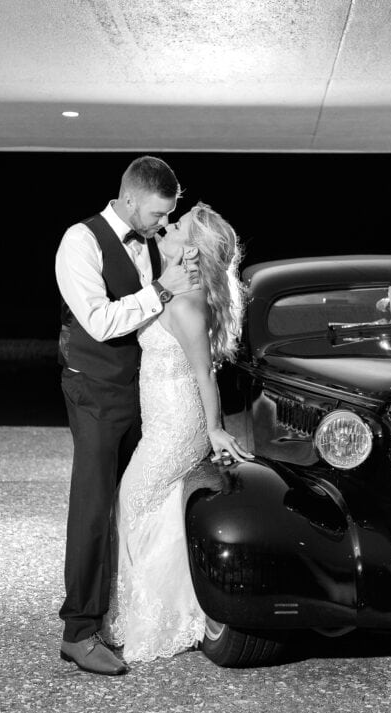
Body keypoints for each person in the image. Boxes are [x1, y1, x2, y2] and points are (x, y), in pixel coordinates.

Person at [55, 156, 199, 676]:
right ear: (132, 197)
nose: (160, 224)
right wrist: (163, 289)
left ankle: (120, 615)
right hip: (94, 389)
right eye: (155, 214)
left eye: (168, 215)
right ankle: (78, 631)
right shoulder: (80, 241)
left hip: (143, 393)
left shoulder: (150, 241)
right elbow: (97, 321)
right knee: (93, 505)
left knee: (129, 504)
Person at [104, 202, 252, 664]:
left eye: (178, 225)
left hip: (177, 425)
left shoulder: (188, 303)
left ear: (191, 252)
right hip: (162, 422)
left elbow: (205, 374)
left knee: (134, 499)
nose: (167, 225)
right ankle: (170, 608)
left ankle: (163, 615)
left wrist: (213, 429)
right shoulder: (173, 287)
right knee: (154, 507)